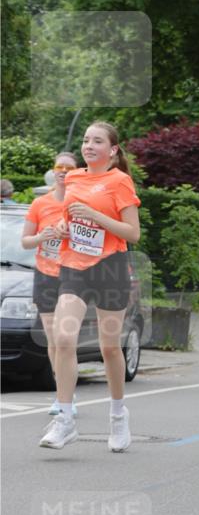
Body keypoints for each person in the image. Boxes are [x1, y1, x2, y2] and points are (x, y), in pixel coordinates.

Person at [39, 122, 141, 452]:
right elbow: (73, 221)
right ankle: (65, 419)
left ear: (112, 150)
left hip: (110, 268)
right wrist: (62, 227)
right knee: (64, 338)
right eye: (85, 140)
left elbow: (132, 233)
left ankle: (118, 415)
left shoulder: (120, 181)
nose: (89, 145)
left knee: (109, 347)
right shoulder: (75, 178)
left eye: (97, 141)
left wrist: (95, 217)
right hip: (74, 266)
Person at [22, 152, 79, 416]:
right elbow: (25, 241)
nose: (63, 171)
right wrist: (42, 236)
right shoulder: (39, 204)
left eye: (69, 167)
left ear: (76, 171)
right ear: (53, 171)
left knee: (65, 337)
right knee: (52, 338)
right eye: (59, 166)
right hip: (45, 274)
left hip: (70, 274)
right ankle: (62, 394)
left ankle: (67, 396)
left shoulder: (79, 203)